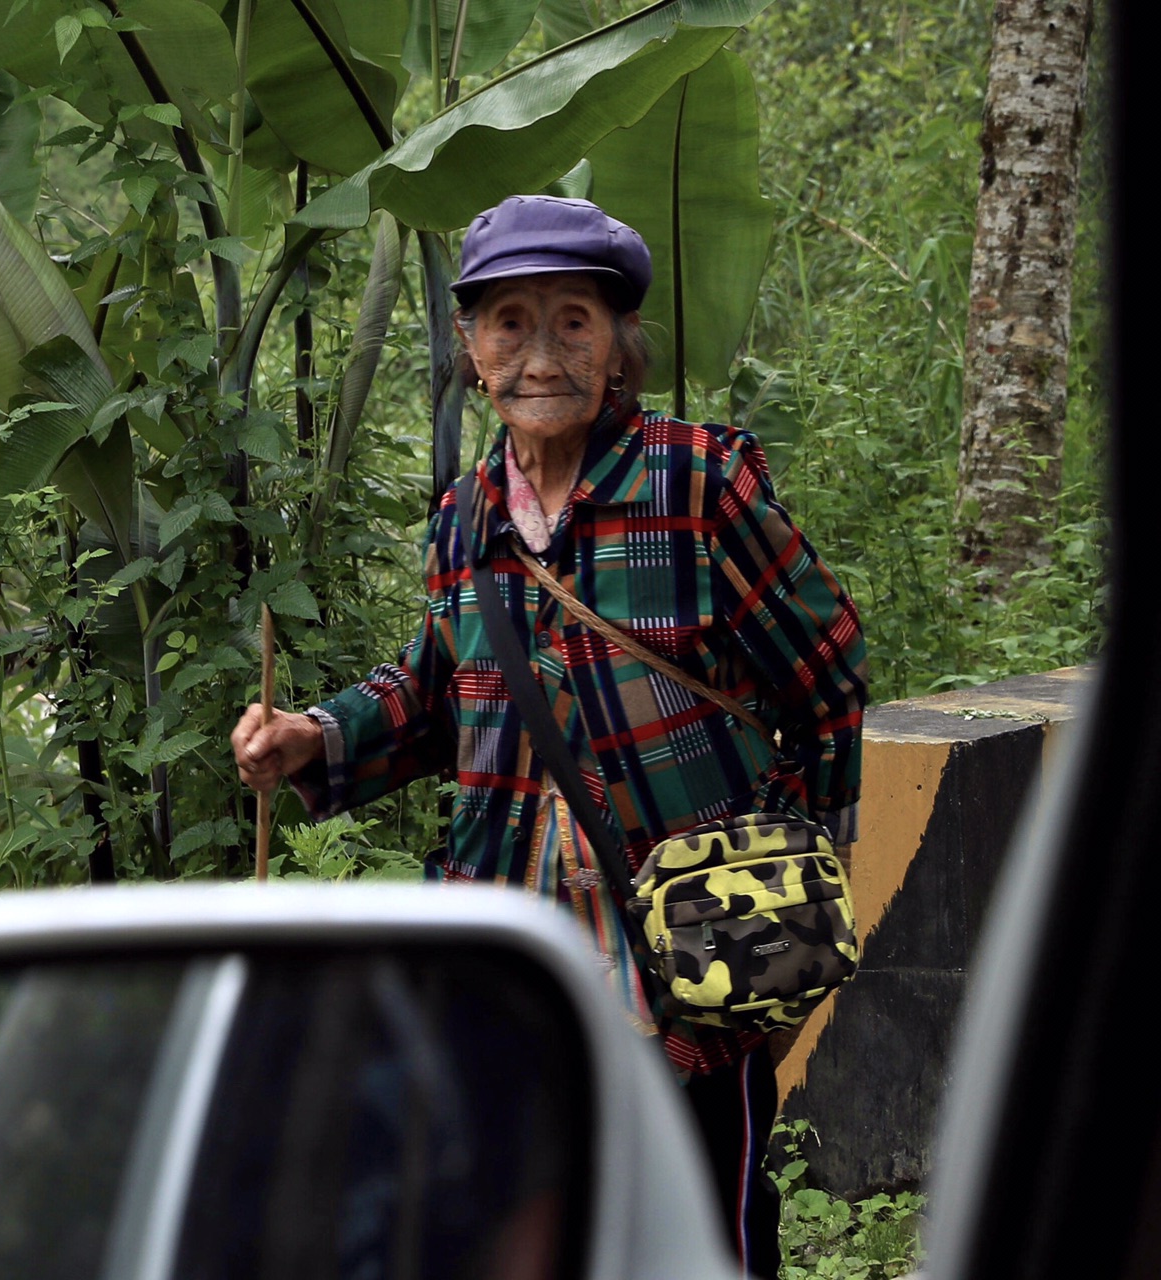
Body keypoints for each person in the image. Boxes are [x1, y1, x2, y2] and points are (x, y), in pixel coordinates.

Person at [231, 194, 869, 1278]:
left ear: (619, 346)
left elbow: (829, 675)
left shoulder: (698, 481)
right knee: (527, 1219)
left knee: (702, 1225)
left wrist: (787, 874)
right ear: (473, 352)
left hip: (684, 931)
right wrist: (314, 735)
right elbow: (437, 692)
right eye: (508, 323)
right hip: (513, 931)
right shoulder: (464, 514)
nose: (540, 353)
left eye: (573, 319)